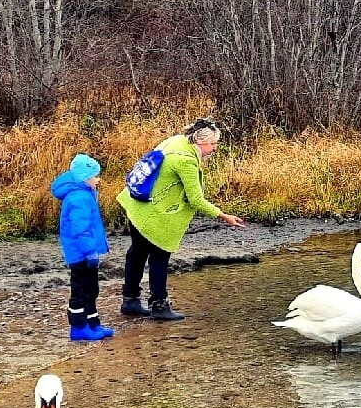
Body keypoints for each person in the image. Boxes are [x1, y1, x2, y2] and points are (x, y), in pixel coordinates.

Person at [118, 117, 246, 320]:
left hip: (136, 204)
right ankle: (159, 306)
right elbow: (195, 199)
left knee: (137, 253)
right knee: (160, 255)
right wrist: (223, 216)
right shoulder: (186, 160)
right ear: (200, 142)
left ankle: (130, 301)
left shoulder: (177, 140)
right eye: (212, 144)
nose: (214, 148)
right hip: (152, 214)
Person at [51, 153, 113, 341]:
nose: (98, 179)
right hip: (81, 255)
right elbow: (80, 229)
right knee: (81, 290)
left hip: (85, 253)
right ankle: (78, 327)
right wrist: (90, 251)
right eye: (95, 176)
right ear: (85, 178)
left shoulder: (84, 194)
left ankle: (93, 324)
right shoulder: (79, 198)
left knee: (91, 289)